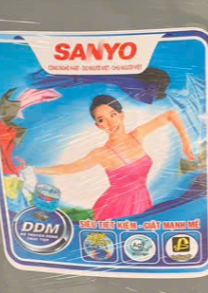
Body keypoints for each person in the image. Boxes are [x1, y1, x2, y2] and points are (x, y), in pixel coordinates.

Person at [31, 95, 194, 221]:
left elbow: (171, 115)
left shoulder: (138, 135)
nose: (109, 123)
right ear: (98, 126)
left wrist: (186, 143)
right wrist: (35, 170)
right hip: (118, 207)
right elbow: (70, 168)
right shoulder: (102, 153)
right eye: (102, 120)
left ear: (121, 115)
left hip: (142, 200)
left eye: (112, 115)